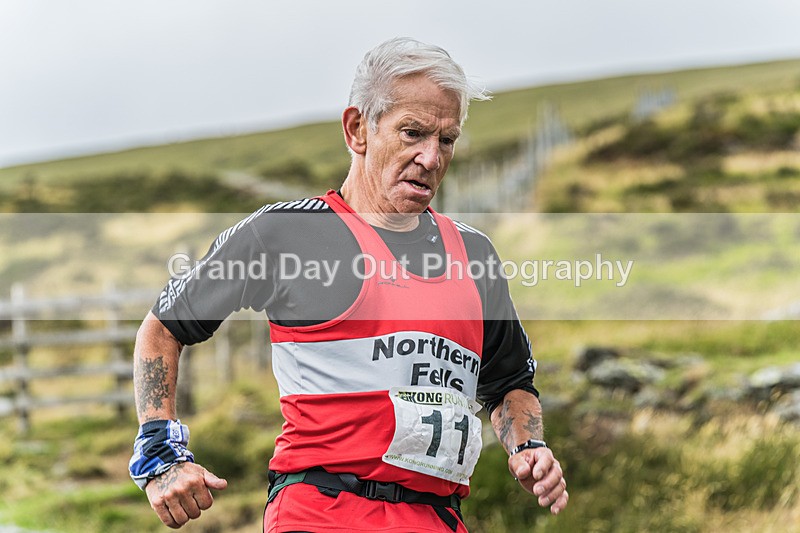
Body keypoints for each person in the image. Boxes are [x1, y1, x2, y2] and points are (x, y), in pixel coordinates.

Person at [129, 37, 568, 532]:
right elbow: (162, 330)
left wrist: (529, 446)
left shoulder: (475, 255)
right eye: (412, 133)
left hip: (438, 519)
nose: (431, 157)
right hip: (322, 513)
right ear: (358, 129)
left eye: (446, 140)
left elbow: (509, 382)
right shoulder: (287, 235)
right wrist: (161, 455)